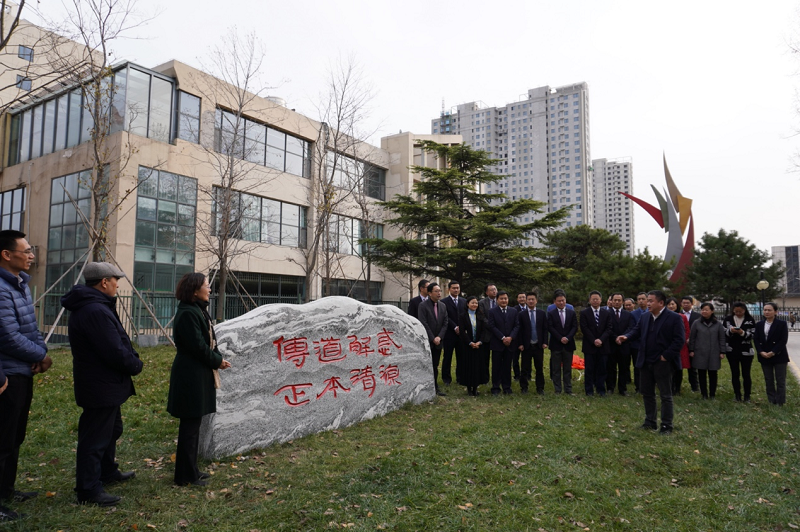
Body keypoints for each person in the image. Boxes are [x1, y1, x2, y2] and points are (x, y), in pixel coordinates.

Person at [61, 262, 143, 506]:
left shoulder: (95, 306)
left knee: (111, 430)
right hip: (100, 385)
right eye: (115, 279)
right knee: (95, 438)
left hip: (105, 384)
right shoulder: (94, 310)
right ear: (104, 282)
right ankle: (88, 490)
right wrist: (134, 364)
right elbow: (113, 349)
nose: (118, 284)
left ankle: (107, 472)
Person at [0, 230, 51, 521]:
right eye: (26, 250)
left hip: (22, 371)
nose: (31, 255)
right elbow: (7, 336)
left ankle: (6, 489)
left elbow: (30, 328)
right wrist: (40, 355)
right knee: (3, 439)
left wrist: (40, 349)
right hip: (7, 375)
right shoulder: (2, 288)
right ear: (7, 255)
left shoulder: (20, 285)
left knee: (15, 436)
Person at [168, 273, 231, 486]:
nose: (210, 289)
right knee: (190, 425)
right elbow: (197, 346)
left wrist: (216, 356)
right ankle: (185, 476)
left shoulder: (196, 310)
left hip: (197, 374)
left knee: (194, 424)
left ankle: (191, 469)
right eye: (206, 285)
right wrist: (217, 361)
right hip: (189, 376)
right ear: (195, 290)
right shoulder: (187, 313)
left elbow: (209, 340)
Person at [617, 290, 685, 434]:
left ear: (661, 303)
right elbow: (637, 331)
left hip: (663, 362)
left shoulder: (674, 318)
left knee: (665, 395)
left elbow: (679, 340)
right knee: (647, 393)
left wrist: (666, 356)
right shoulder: (645, 316)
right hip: (645, 361)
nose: (647, 303)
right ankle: (650, 421)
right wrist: (626, 337)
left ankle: (666, 425)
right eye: (647, 301)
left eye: (651, 301)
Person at [688, 302, 726, 400]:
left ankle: (712, 394)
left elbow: (722, 338)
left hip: (714, 352)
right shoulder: (696, 323)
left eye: (706, 310)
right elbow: (692, 338)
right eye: (703, 310)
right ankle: (704, 394)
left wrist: (722, 351)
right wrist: (691, 350)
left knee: (713, 373)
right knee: (701, 373)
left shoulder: (718, 324)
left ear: (712, 311)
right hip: (700, 352)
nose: (704, 312)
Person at [754, 302, 789, 406]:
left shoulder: (782, 324)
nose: (767, 312)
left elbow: (783, 340)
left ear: (775, 312)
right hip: (764, 355)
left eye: (769, 310)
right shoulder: (759, 324)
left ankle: (780, 401)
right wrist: (761, 351)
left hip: (779, 355)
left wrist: (773, 352)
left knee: (780, 380)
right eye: (765, 310)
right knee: (768, 379)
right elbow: (756, 339)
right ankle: (771, 400)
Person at [418, 282, 448, 396]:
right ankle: (424, 387)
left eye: (440, 291)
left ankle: (435, 387)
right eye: (436, 291)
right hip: (427, 341)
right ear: (429, 293)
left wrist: (439, 337)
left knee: (435, 365)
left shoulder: (443, 306)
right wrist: (432, 338)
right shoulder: (423, 306)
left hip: (438, 341)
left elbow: (445, 323)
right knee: (427, 365)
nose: (439, 293)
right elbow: (423, 323)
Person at [580, 291, 612, 396]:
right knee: (589, 369)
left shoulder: (606, 313)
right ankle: (589, 390)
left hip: (603, 346)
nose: (595, 301)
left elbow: (609, 329)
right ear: (589, 300)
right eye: (593, 299)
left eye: (597, 299)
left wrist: (601, 340)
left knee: (602, 369)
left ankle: (601, 390)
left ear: (600, 300)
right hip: (590, 345)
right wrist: (594, 340)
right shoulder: (584, 313)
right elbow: (584, 328)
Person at [722, 302, 756, 402]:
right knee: (735, 373)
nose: (738, 313)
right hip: (732, 350)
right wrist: (730, 331)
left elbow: (754, 335)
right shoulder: (728, 319)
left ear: (744, 310)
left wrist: (743, 333)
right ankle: (737, 395)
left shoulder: (750, 320)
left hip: (746, 351)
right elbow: (723, 333)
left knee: (746, 374)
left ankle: (747, 396)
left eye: (740, 311)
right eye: (736, 311)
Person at [487, 291, 519, 395]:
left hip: (510, 344)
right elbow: (491, 326)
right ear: (497, 300)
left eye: (505, 298)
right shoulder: (492, 311)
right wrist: (502, 337)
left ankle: (507, 387)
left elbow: (517, 326)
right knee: (496, 366)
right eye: (501, 298)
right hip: (497, 343)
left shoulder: (513, 311)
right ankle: (495, 388)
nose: (504, 300)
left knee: (507, 366)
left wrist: (510, 337)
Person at [517, 291, 548, 395]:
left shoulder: (541, 313)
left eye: (532, 299)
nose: (530, 301)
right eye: (529, 299)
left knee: (539, 368)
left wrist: (545, 342)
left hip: (538, 345)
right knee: (525, 368)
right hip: (526, 346)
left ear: (536, 301)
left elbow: (545, 329)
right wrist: (520, 344)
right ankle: (524, 388)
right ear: (526, 301)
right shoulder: (521, 314)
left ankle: (540, 388)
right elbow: (519, 330)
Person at [547, 289, 577, 395]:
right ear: (555, 301)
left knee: (567, 368)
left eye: (563, 300)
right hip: (556, 344)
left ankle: (568, 389)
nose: (561, 303)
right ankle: (558, 389)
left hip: (568, 344)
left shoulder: (571, 313)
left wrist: (567, 338)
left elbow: (574, 327)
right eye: (559, 301)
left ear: (566, 300)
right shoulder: (551, 313)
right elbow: (550, 327)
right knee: (556, 369)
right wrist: (560, 338)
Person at [458, 296, 486, 396]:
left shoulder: (480, 316)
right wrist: (470, 343)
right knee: (468, 366)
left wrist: (479, 342)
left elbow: (483, 331)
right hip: (467, 345)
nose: (474, 305)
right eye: (472, 303)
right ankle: (469, 388)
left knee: (477, 367)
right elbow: (462, 331)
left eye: (476, 303)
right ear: (467, 304)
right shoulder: (463, 316)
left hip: (478, 345)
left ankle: (475, 388)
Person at [607, 293, 633, 396]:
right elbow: (607, 328)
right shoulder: (606, 313)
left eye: (619, 300)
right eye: (615, 300)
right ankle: (610, 388)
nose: (617, 302)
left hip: (624, 345)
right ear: (611, 301)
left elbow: (631, 328)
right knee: (610, 367)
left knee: (624, 367)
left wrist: (623, 337)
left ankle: (623, 389)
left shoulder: (628, 314)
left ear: (622, 302)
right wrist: (615, 338)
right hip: (611, 344)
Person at [441, 281, 465, 386]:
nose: (456, 290)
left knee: (461, 357)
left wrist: (462, 327)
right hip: (449, 334)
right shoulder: (443, 302)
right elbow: (445, 316)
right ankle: (446, 379)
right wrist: (454, 326)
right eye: (454, 288)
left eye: (458, 288)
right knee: (447, 357)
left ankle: (460, 377)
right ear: (449, 289)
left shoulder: (464, 301)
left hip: (461, 334)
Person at [665, 297, 690, 395]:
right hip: (667, 345)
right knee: (668, 369)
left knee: (678, 368)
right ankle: (669, 387)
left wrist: (681, 341)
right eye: (669, 304)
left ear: (677, 305)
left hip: (680, 346)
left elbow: (687, 331)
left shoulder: (682, 317)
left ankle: (677, 388)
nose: (671, 306)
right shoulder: (664, 316)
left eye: (673, 304)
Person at [627, 292, 649, 393]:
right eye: (639, 299)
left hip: (650, 345)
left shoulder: (652, 311)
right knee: (637, 366)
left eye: (643, 299)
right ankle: (638, 387)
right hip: (636, 344)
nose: (641, 301)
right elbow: (633, 329)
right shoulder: (633, 314)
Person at [681, 296, 701, 392]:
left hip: (693, 344)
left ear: (691, 304)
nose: (685, 304)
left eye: (687, 303)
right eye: (684, 303)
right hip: (681, 344)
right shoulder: (678, 314)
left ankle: (695, 387)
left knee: (693, 368)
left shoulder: (697, 316)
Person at [512, 292, 528, 381]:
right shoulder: (514, 310)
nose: (522, 299)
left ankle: (526, 375)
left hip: (526, 338)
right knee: (515, 359)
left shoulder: (529, 309)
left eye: (523, 297)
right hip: (516, 338)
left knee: (526, 359)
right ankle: (517, 375)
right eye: (520, 297)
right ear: (517, 299)